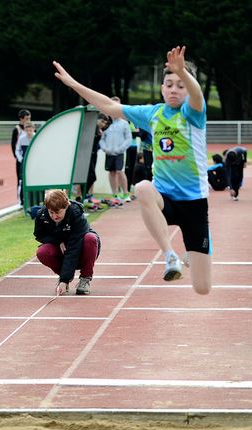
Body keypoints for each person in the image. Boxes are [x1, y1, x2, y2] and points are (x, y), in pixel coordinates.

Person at [54, 45, 212, 295]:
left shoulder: (192, 113)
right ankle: (170, 255)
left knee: (202, 288)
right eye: (169, 84)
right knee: (143, 187)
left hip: (194, 203)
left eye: (180, 85)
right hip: (164, 198)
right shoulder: (152, 114)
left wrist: (183, 72)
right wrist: (73, 84)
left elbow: (197, 94)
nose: (174, 89)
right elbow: (109, 106)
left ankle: (191, 254)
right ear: (162, 88)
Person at [34, 189, 100, 296]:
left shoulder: (76, 214)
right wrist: (58, 242)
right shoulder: (42, 214)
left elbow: (74, 248)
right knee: (42, 252)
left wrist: (65, 279)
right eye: (51, 212)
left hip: (81, 249)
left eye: (58, 212)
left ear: (66, 206)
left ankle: (85, 279)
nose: (54, 216)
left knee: (90, 238)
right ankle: (63, 277)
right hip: (61, 250)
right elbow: (39, 234)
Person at [99, 97, 132, 203]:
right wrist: (105, 148)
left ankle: (126, 193)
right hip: (109, 153)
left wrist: (120, 149)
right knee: (112, 172)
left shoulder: (124, 123)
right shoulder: (106, 124)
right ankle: (115, 194)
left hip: (119, 152)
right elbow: (101, 139)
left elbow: (128, 139)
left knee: (119, 171)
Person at [11, 109, 31, 201]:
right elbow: (13, 145)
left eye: (29, 118)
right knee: (20, 179)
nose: (28, 120)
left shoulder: (32, 129)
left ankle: (29, 198)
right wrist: (18, 158)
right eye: (27, 119)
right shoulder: (17, 129)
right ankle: (20, 200)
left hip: (30, 159)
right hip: (21, 159)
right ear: (21, 119)